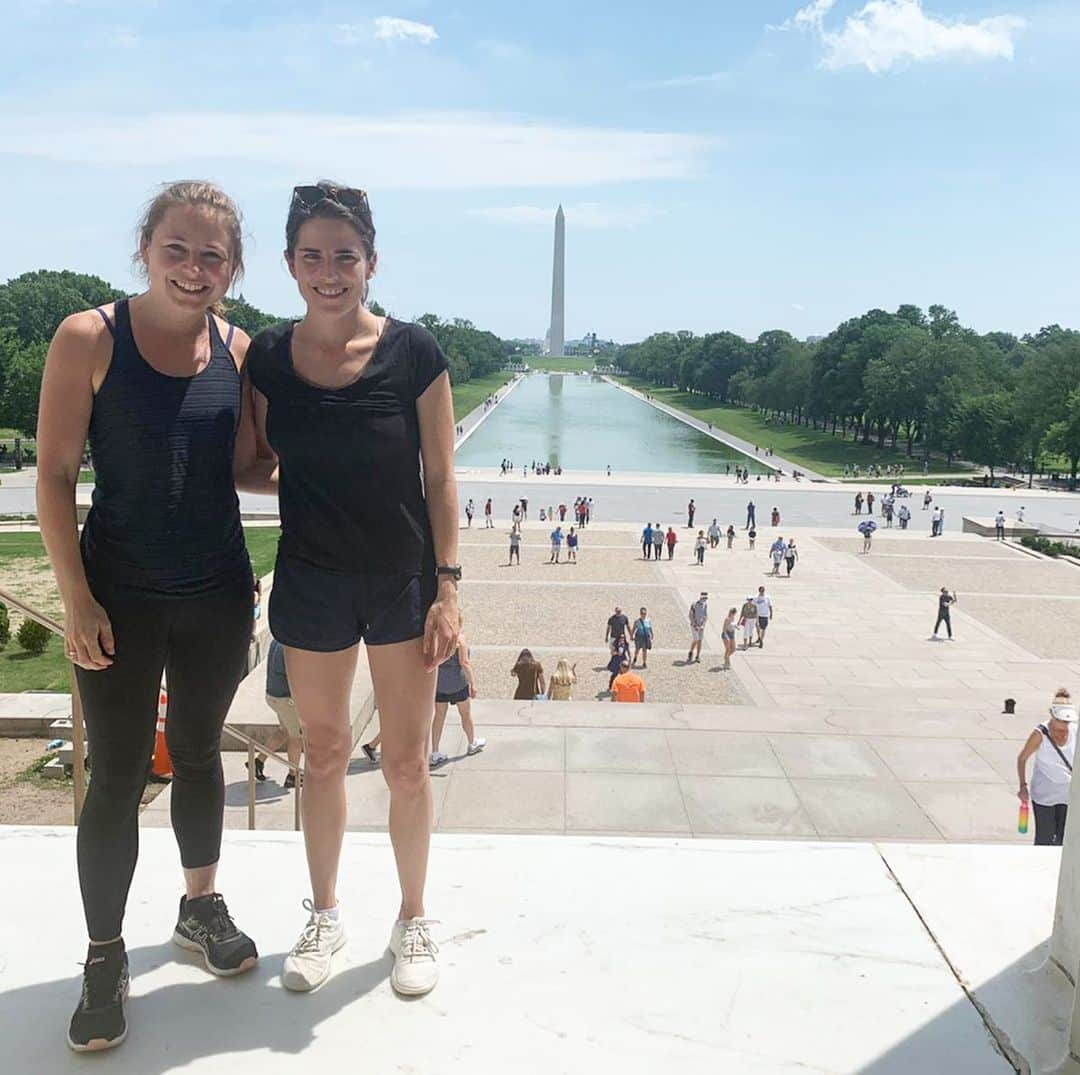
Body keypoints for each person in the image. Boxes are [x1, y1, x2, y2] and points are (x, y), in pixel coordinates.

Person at [37, 181, 260, 1051]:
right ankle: (103, 955)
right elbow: (55, 476)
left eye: (212, 254)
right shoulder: (90, 336)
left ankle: (198, 905)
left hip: (214, 593)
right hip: (119, 596)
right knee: (121, 777)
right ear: (145, 248)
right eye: (178, 248)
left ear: (233, 268)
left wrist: (361, 470)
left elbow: (247, 467)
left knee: (200, 756)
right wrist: (76, 597)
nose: (194, 268)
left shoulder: (238, 349)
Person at [240, 182, 457, 997]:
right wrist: (316, 477)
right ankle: (325, 912)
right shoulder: (266, 355)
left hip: (403, 578)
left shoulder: (414, 352)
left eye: (344, 255)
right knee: (323, 754)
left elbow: (440, 476)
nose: (328, 271)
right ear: (290, 262)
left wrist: (450, 587)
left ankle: (413, 917)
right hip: (312, 577)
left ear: (371, 261)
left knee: (405, 760)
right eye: (312, 255)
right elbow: (249, 464)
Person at [1017, 690, 1077, 846]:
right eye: (1061, 721)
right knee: (1044, 840)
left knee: (1065, 841)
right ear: (1052, 715)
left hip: (1068, 795)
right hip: (1044, 795)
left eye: (1067, 722)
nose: (1065, 725)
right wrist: (1023, 786)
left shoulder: (1075, 731)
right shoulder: (1040, 734)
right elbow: (1022, 758)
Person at [429, 613, 483, 767]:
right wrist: (473, 683)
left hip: (440, 684)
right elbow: (465, 663)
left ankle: (435, 751)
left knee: (439, 716)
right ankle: (472, 743)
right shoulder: (460, 640)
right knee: (465, 714)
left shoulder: (436, 638)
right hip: (458, 683)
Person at [254, 639, 303, 789]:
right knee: (297, 737)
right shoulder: (290, 646)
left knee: (284, 731)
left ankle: (258, 761)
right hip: (285, 699)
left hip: (272, 696)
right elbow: (292, 676)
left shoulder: (276, 640)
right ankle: (293, 776)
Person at [687, 592, 708, 663]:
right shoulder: (694, 604)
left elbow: (705, 616)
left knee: (700, 641)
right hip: (694, 626)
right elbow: (690, 615)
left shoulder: (705, 605)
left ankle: (698, 656)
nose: (705, 600)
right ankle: (691, 652)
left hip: (701, 627)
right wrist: (694, 625)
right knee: (695, 640)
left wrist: (703, 625)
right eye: (704, 598)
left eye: (706, 598)